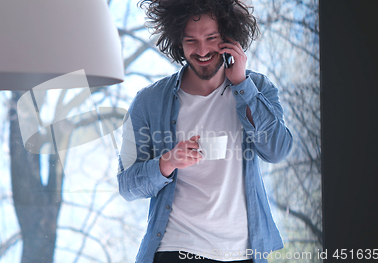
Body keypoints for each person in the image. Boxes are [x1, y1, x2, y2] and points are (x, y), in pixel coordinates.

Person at [117, 0, 293, 262]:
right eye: (191, 40)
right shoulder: (148, 101)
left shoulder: (256, 88)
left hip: (243, 252)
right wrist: (168, 162)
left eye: (211, 38)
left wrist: (242, 85)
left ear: (228, 37)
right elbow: (127, 185)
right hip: (176, 249)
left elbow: (277, 150)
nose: (202, 50)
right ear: (178, 41)